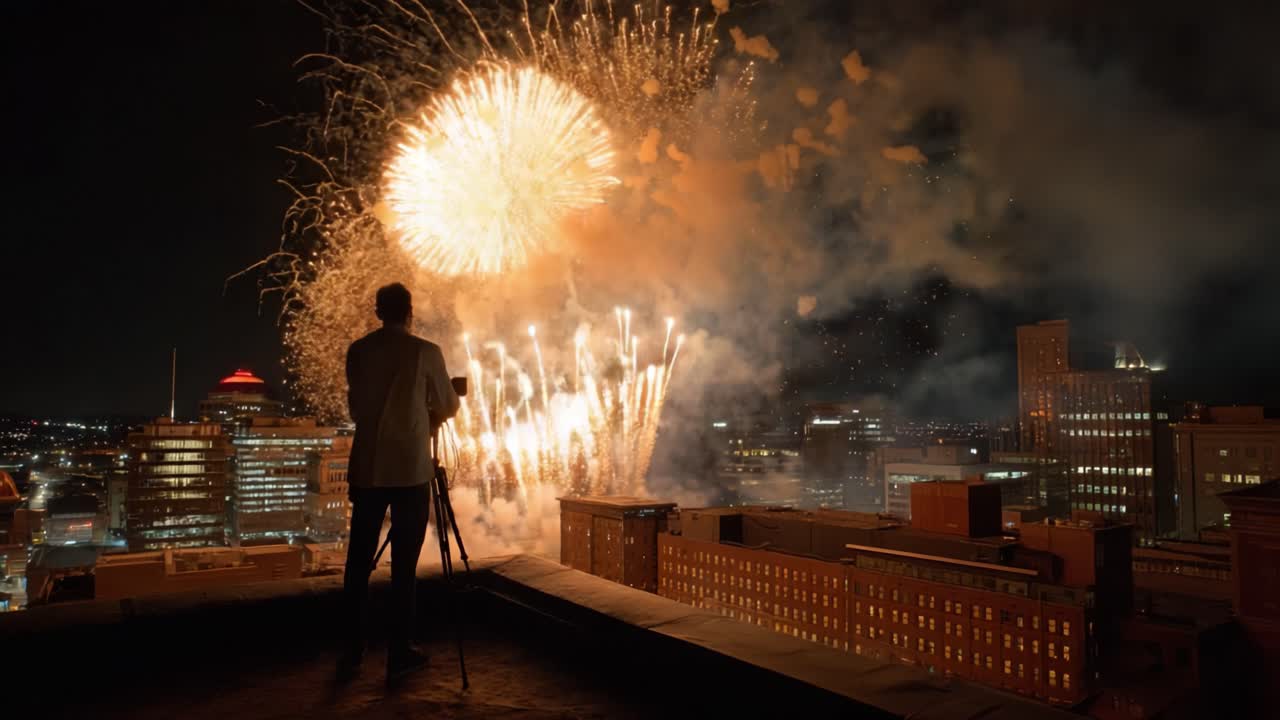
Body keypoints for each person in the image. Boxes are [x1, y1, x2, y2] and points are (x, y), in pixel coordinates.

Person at [339, 282, 460, 685]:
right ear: (410, 312)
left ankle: (351, 648)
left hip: (368, 468)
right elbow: (448, 405)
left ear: (377, 312)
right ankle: (399, 650)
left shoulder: (358, 351)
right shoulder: (425, 352)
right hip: (410, 471)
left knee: (358, 563)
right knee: (404, 566)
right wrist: (423, 411)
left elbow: (357, 408)